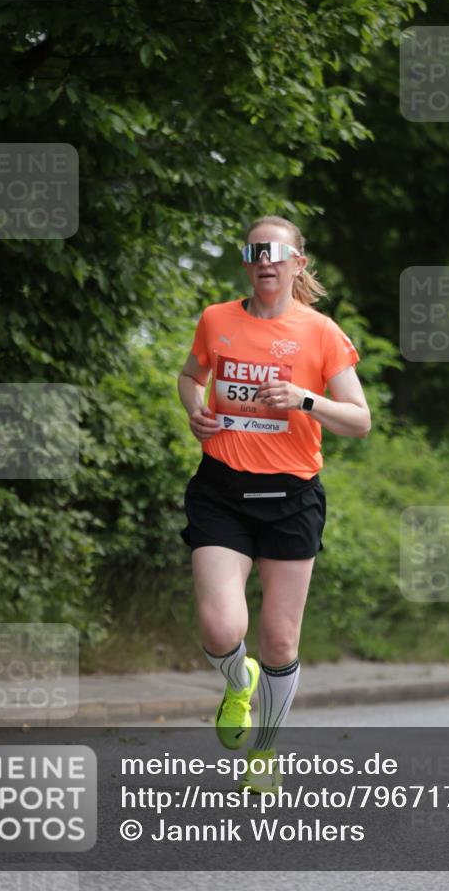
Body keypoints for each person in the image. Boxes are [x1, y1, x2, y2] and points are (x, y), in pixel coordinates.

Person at [177, 215, 371, 793]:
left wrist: (305, 398)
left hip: (291, 498)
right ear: (246, 260)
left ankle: (262, 754)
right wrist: (195, 411)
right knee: (219, 626)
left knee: (281, 641)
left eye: (277, 251)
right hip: (222, 490)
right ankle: (239, 683)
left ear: (297, 264)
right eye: (255, 250)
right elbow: (191, 377)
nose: (266, 259)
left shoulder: (320, 332)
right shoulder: (217, 320)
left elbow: (359, 421)